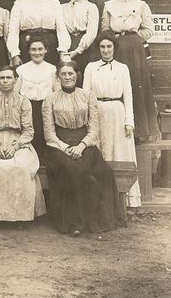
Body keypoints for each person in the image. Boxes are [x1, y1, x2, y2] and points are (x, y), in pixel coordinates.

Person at [42, 61, 126, 235]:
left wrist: (81, 146)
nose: (67, 77)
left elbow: (94, 128)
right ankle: (74, 223)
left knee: (100, 172)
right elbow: (49, 134)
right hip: (59, 145)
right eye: (63, 74)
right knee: (71, 169)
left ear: (77, 75)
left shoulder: (88, 96)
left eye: (70, 74)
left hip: (84, 142)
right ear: (58, 77)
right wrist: (66, 148)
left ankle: (91, 220)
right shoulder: (49, 99)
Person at [0, 66, 46, 222]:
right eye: (2, 78)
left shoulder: (23, 101)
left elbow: (28, 131)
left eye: (9, 78)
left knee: (21, 167)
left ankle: (20, 216)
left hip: (18, 140)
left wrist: (16, 146)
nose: (5, 81)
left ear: (15, 80)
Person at [83, 33, 141, 208]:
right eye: (102, 47)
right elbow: (85, 95)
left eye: (109, 47)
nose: (106, 50)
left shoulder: (122, 68)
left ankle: (124, 199)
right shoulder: (91, 67)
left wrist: (129, 121)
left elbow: (128, 96)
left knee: (120, 153)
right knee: (100, 152)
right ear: (98, 49)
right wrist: (86, 120)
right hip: (97, 111)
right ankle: (100, 198)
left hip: (117, 112)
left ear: (114, 48)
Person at [101, 0, 160, 141]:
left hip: (134, 48)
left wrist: (133, 37)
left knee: (136, 84)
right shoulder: (109, 5)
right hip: (116, 47)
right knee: (116, 84)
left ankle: (140, 131)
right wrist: (116, 40)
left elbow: (149, 30)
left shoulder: (141, 5)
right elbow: (105, 29)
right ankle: (117, 130)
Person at [7, 0, 71, 67]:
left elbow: (61, 29)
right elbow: (13, 32)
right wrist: (15, 54)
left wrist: (63, 50)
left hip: (50, 44)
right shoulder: (19, 5)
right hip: (27, 44)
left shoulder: (54, 4)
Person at [14, 38, 58, 156]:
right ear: (28, 51)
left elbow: (57, 93)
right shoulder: (21, 70)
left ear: (46, 50)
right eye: (33, 49)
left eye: (40, 49)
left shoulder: (52, 69)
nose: (37, 52)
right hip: (27, 109)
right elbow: (15, 94)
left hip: (46, 108)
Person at [62, 0, 99, 76]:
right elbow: (61, 29)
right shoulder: (62, 7)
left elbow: (92, 32)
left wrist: (78, 50)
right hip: (68, 43)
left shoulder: (91, 7)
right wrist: (65, 49)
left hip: (85, 46)